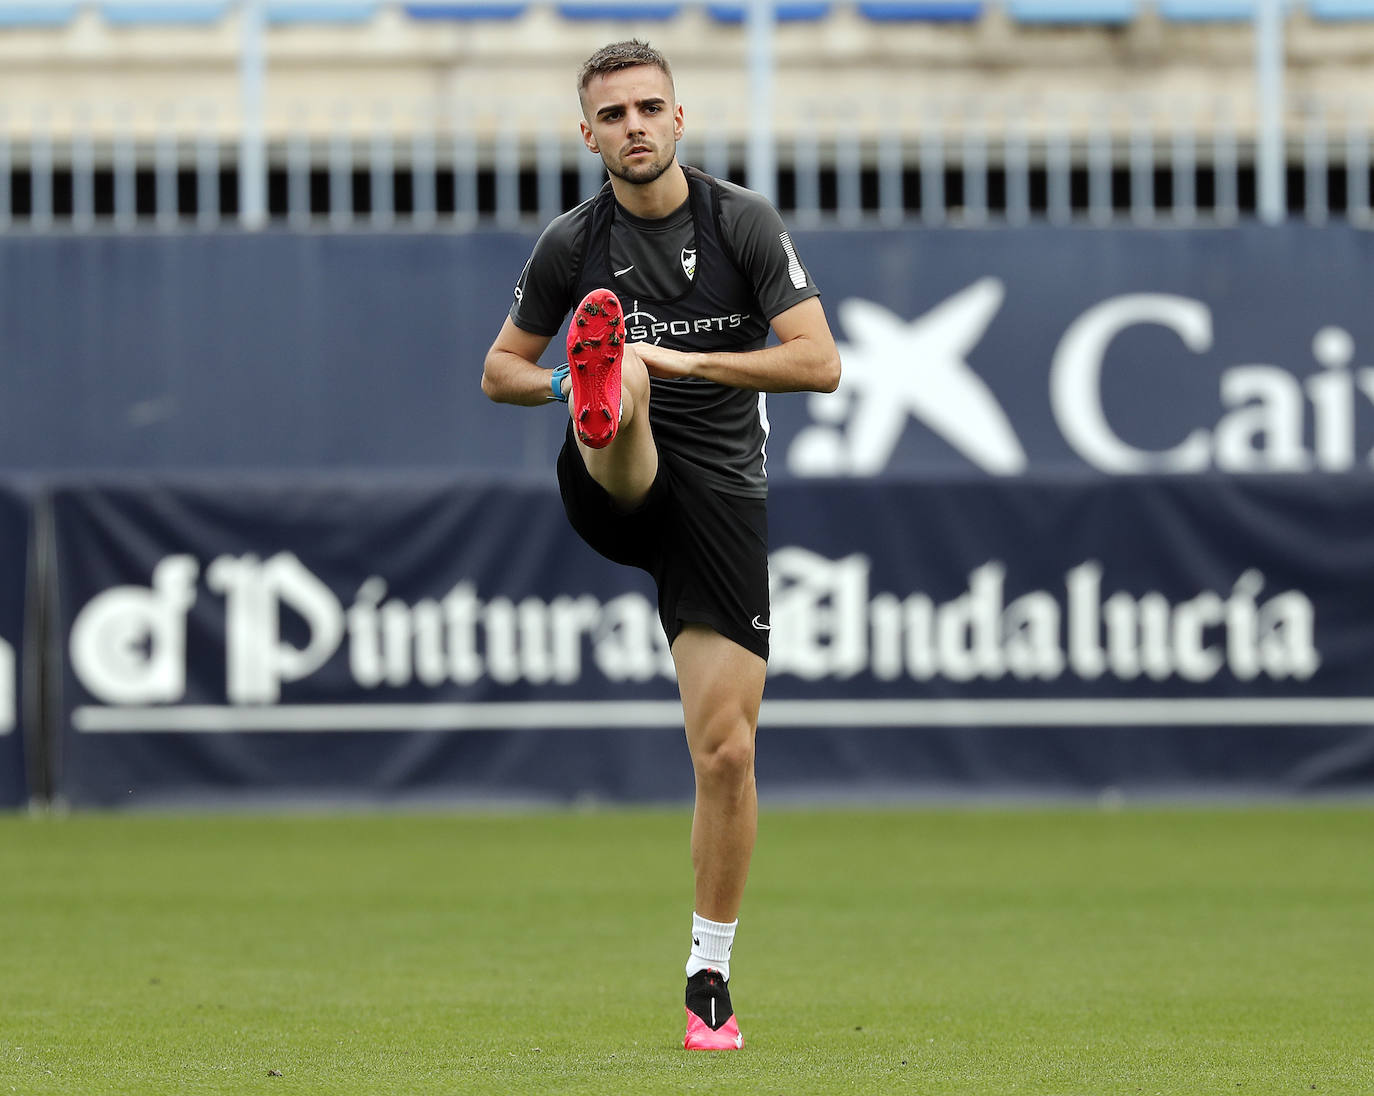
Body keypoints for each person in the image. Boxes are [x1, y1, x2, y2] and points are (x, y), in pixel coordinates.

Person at [481, 38, 841, 1051]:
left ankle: (709, 976)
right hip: (617, 482)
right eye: (613, 114)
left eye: (649, 108)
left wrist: (681, 360)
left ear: (678, 119)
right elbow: (499, 370)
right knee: (618, 379)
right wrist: (570, 382)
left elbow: (819, 363)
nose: (633, 126)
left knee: (725, 751)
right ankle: (607, 401)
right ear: (586, 133)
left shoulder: (742, 223)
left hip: (722, 496)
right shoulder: (572, 243)